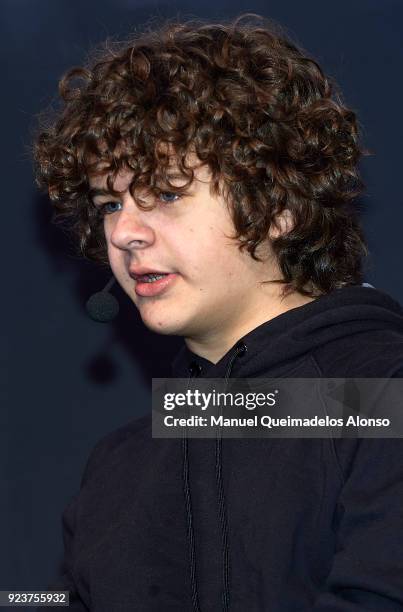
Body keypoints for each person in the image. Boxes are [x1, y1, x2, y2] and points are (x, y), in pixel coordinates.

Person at [33, 14, 403, 611]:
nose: (124, 231)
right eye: (108, 203)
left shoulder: (383, 396)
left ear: (278, 206)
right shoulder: (117, 469)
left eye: (169, 192)